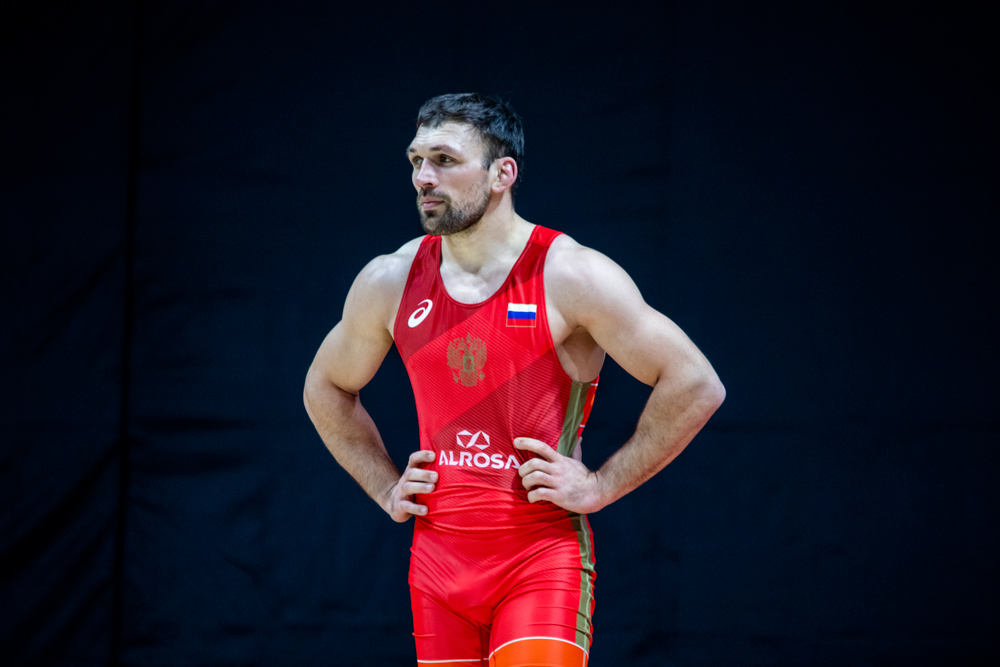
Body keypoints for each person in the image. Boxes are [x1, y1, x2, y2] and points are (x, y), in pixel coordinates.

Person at [303, 93, 725, 667]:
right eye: (416, 160)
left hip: (539, 559)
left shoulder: (570, 274)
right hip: (437, 565)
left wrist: (600, 486)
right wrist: (383, 487)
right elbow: (325, 386)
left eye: (444, 160)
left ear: (503, 173)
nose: (423, 177)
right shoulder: (390, 279)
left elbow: (695, 383)